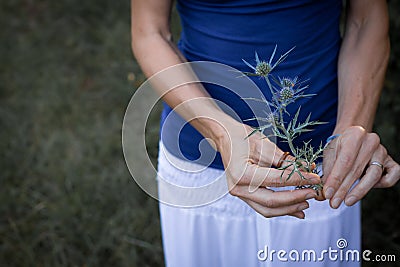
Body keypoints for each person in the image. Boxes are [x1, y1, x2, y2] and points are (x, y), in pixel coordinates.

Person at [131, 0, 400, 266]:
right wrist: (222, 133)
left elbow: (366, 20)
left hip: (321, 172)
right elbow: (150, 32)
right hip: (201, 168)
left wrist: (354, 127)